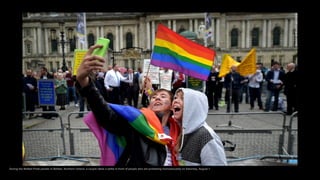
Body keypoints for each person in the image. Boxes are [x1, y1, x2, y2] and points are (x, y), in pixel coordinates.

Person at [75, 44, 181, 166]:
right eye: (154, 97)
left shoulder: (177, 129)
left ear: (171, 105)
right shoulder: (138, 121)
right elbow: (107, 116)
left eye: (163, 96)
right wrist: (84, 83)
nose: (157, 98)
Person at [172, 88, 227, 166]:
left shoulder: (206, 136)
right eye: (175, 97)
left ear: (194, 106)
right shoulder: (176, 130)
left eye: (182, 98)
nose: (176, 100)